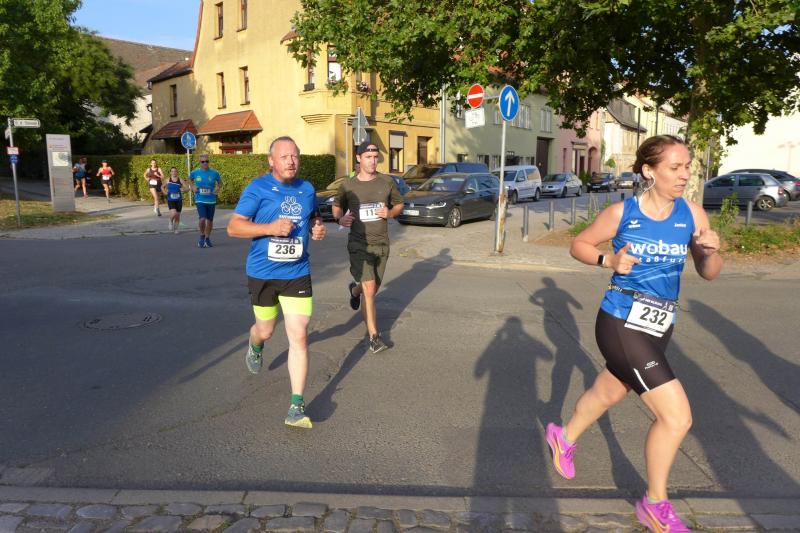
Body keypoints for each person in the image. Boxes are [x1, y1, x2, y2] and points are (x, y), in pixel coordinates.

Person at [545, 135, 722, 533]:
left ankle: (563, 436)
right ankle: (654, 504)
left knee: (610, 391)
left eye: (687, 166)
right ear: (649, 171)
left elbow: (708, 273)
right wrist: (608, 259)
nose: (684, 175)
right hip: (620, 321)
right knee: (677, 418)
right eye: (674, 167)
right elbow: (579, 244)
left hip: (660, 324)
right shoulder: (622, 213)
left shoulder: (693, 215)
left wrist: (711, 252)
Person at [227, 136, 326, 428]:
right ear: (271, 161)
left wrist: (317, 228)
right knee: (266, 330)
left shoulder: (307, 189)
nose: (291, 161)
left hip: (296, 272)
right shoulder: (257, 188)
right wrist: (270, 227)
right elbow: (233, 227)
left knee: (299, 335)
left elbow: (313, 217)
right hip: (263, 273)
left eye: (295, 156)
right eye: (284, 157)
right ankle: (256, 343)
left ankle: (296, 405)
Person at [333, 140, 404, 353]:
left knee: (369, 289)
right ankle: (374, 337)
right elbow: (336, 207)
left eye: (375, 157)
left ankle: (354, 291)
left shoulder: (386, 181)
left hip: (381, 244)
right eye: (368, 157)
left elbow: (399, 204)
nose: (373, 161)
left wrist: (390, 213)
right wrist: (340, 219)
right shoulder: (348, 185)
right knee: (370, 290)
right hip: (359, 244)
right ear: (359, 158)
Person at [190, 154, 222, 248]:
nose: (205, 163)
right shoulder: (195, 172)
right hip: (200, 199)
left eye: (207, 161)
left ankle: (207, 238)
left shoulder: (214, 173)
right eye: (203, 161)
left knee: (210, 221)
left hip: (211, 200)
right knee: (202, 218)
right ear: (200, 162)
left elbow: (220, 183)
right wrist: (193, 187)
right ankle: (202, 236)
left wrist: (217, 189)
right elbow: (189, 180)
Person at [164, 167, 189, 234]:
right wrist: (165, 192)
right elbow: (162, 187)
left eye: (175, 171)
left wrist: (184, 190)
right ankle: (170, 220)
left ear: (177, 172)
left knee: (177, 215)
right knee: (174, 213)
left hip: (178, 200)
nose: (174, 173)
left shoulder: (180, 180)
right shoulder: (168, 180)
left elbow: (187, 188)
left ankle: (176, 229)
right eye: (172, 171)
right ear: (170, 172)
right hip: (170, 199)